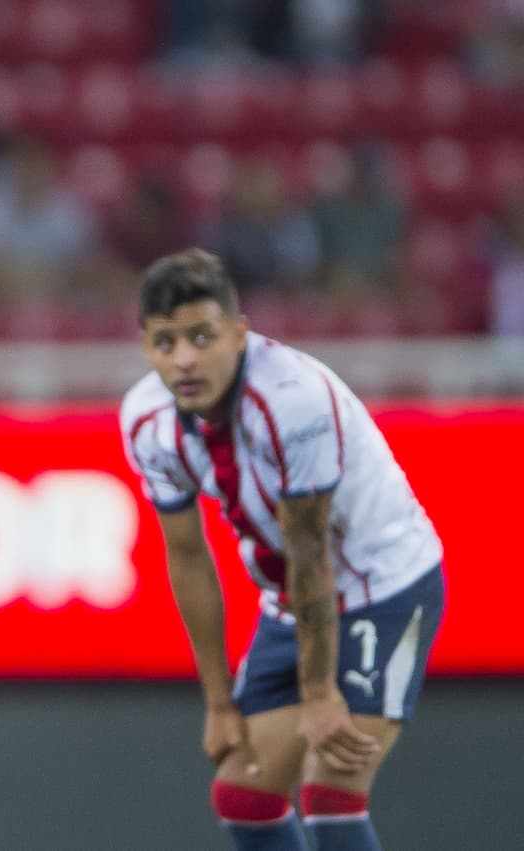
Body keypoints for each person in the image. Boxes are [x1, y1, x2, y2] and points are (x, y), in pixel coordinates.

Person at [120, 248, 444, 850]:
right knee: (246, 795)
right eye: (167, 343)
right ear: (146, 347)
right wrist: (219, 702)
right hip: (292, 601)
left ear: (238, 334)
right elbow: (189, 557)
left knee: (332, 792)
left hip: (383, 583)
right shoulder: (146, 420)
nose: (185, 359)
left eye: (201, 336)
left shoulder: (293, 400)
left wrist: (320, 695)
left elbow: (309, 547)